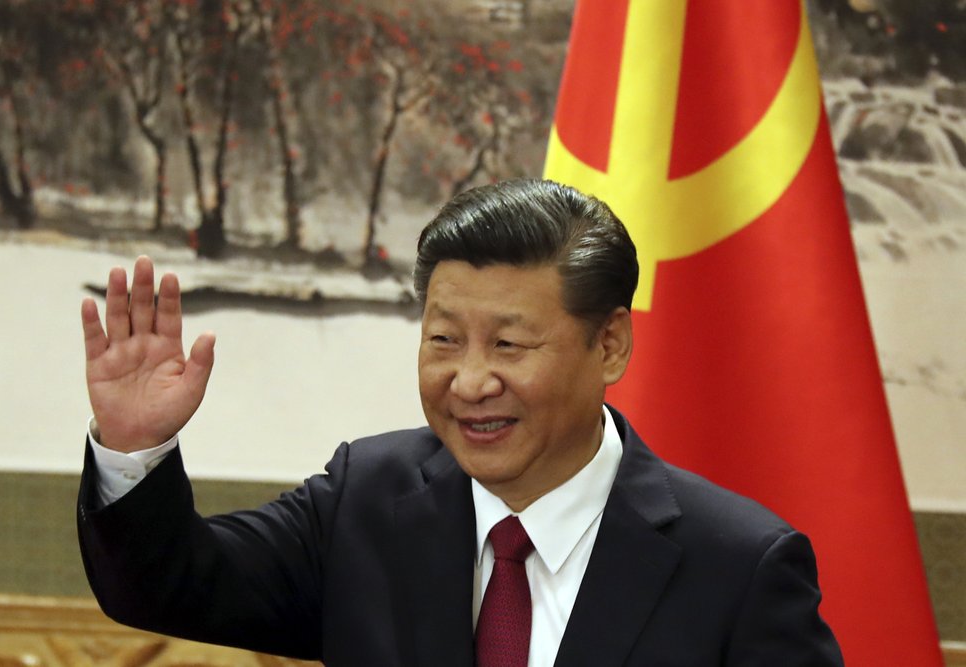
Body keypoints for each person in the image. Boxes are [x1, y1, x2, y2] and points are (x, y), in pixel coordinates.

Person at [77, 178, 844, 666]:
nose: (470, 381)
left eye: (510, 344)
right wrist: (135, 445)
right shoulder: (366, 501)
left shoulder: (739, 567)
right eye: (443, 340)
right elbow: (167, 587)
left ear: (609, 343)